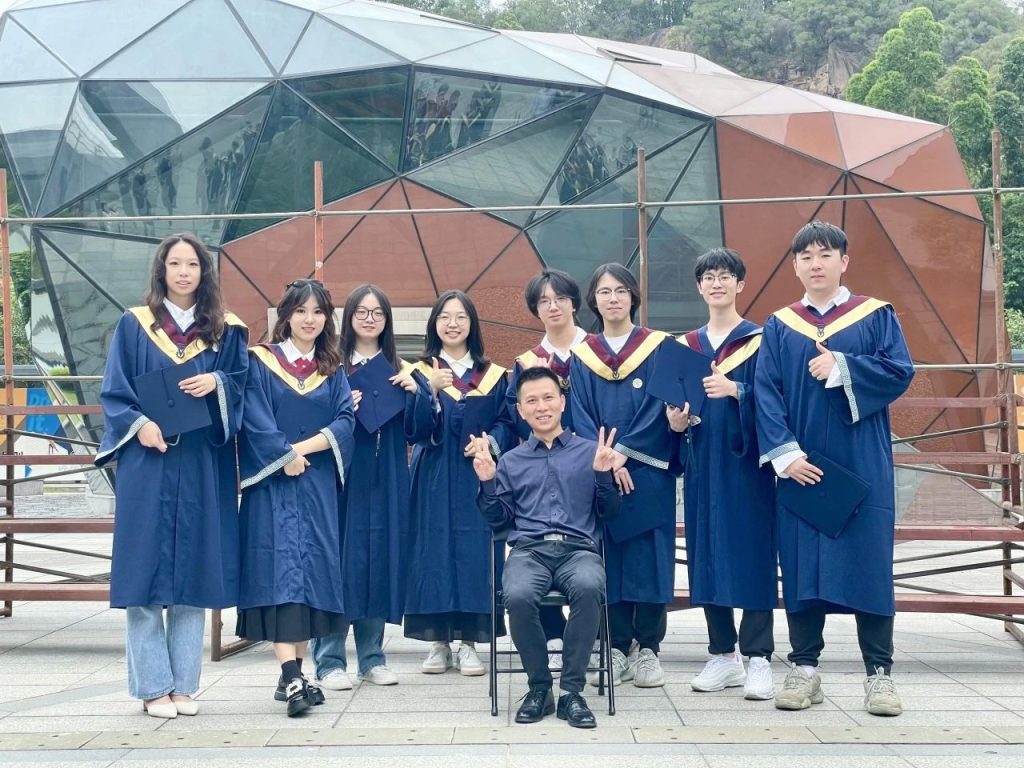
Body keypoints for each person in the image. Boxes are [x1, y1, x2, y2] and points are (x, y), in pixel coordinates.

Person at [754, 221, 914, 716]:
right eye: (805, 256)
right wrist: (786, 455)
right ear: (795, 266)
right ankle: (804, 670)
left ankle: (879, 675)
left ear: (844, 261)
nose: (815, 264)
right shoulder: (780, 325)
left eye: (825, 254)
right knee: (802, 565)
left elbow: (899, 370)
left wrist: (842, 367)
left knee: (869, 565)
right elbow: (766, 392)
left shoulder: (876, 314)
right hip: (803, 466)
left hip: (862, 463)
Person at [96, 233, 248, 720]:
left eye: (193, 264)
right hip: (149, 462)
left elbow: (242, 387)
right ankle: (152, 687)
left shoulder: (226, 331)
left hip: (201, 463)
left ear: (204, 272)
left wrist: (216, 382)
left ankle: (183, 685)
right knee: (144, 573)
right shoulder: (135, 325)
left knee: (194, 571)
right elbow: (115, 391)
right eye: (175, 264)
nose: (184, 272)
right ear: (162, 270)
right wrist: (139, 425)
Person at [472, 367, 621, 728]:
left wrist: (603, 476)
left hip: (578, 550)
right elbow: (498, 520)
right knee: (518, 595)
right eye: (532, 401)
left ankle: (571, 692)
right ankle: (539, 687)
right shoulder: (510, 460)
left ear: (562, 403)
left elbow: (609, 513)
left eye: (548, 398)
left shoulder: (591, 452)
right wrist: (488, 482)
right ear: (521, 410)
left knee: (590, 586)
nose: (541, 407)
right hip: (530, 551)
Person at [236, 279, 356, 717]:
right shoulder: (260, 362)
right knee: (278, 572)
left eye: (318, 311)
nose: (309, 319)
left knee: (311, 576)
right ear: (285, 315)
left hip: (316, 483)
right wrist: (282, 456)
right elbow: (254, 419)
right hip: (272, 484)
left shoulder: (332, 368)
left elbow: (345, 421)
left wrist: (299, 450)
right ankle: (291, 676)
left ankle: (294, 674)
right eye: (301, 310)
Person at [665, 248, 778, 701]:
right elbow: (673, 406)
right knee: (706, 552)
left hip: (746, 465)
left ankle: (759, 657)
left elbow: (775, 398)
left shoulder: (761, 340)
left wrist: (737, 389)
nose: (717, 283)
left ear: (740, 284)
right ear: (699, 287)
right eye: (709, 277)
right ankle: (723, 655)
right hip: (701, 464)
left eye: (725, 276)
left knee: (753, 553)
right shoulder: (684, 346)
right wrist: (675, 423)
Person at [310, 285, 431, 690]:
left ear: (387, 320)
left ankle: (372, 658)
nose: (369, 319)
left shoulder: (402, 369)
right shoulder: (329, 368)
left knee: (378, 561)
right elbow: (311, 420)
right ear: (348, 318)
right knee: (338, 562)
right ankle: (328, 660)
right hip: (342, 478)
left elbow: (420, 432)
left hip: (386, 478)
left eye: (377, 312)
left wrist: (417, 395)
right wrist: (343, 407)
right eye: (361, 311)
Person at [569, 263, 676, 689]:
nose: (612, 299)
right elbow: (579, 413)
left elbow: (659, 407)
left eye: (620, 291)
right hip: (601, 472)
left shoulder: (659, 347)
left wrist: (625, 454)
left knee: (649, 558)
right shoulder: (583, 355)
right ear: (593, 301)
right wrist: (605, 460)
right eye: (604, 292)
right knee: (607, 556)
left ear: (633, 296)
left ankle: (648, 648)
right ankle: (614, 645)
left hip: (646, 471)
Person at [404, 290, 515, 675]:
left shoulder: (494, 375)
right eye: (445, 317)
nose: (453, 324)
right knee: (432, 551)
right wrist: (430, 391)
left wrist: (490, 442)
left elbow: (507, 423)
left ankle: (469, 642)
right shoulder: (419, 373)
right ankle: (438, 642)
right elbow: (413, 430)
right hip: (433, 474)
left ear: (472, 324)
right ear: (434, 324)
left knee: (476, 551)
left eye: (461, 317)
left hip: (476, 474)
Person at [507, 269, 590, 672]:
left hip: (590, 466)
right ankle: (553, 636)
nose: (553, 306)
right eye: (543, 301)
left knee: (588, 554)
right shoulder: (527, 363)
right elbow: (514, 421)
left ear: (574, 302)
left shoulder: (596, 352)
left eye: (560, 298)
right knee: (538, 539)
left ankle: (603, 640)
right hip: (541, 465)